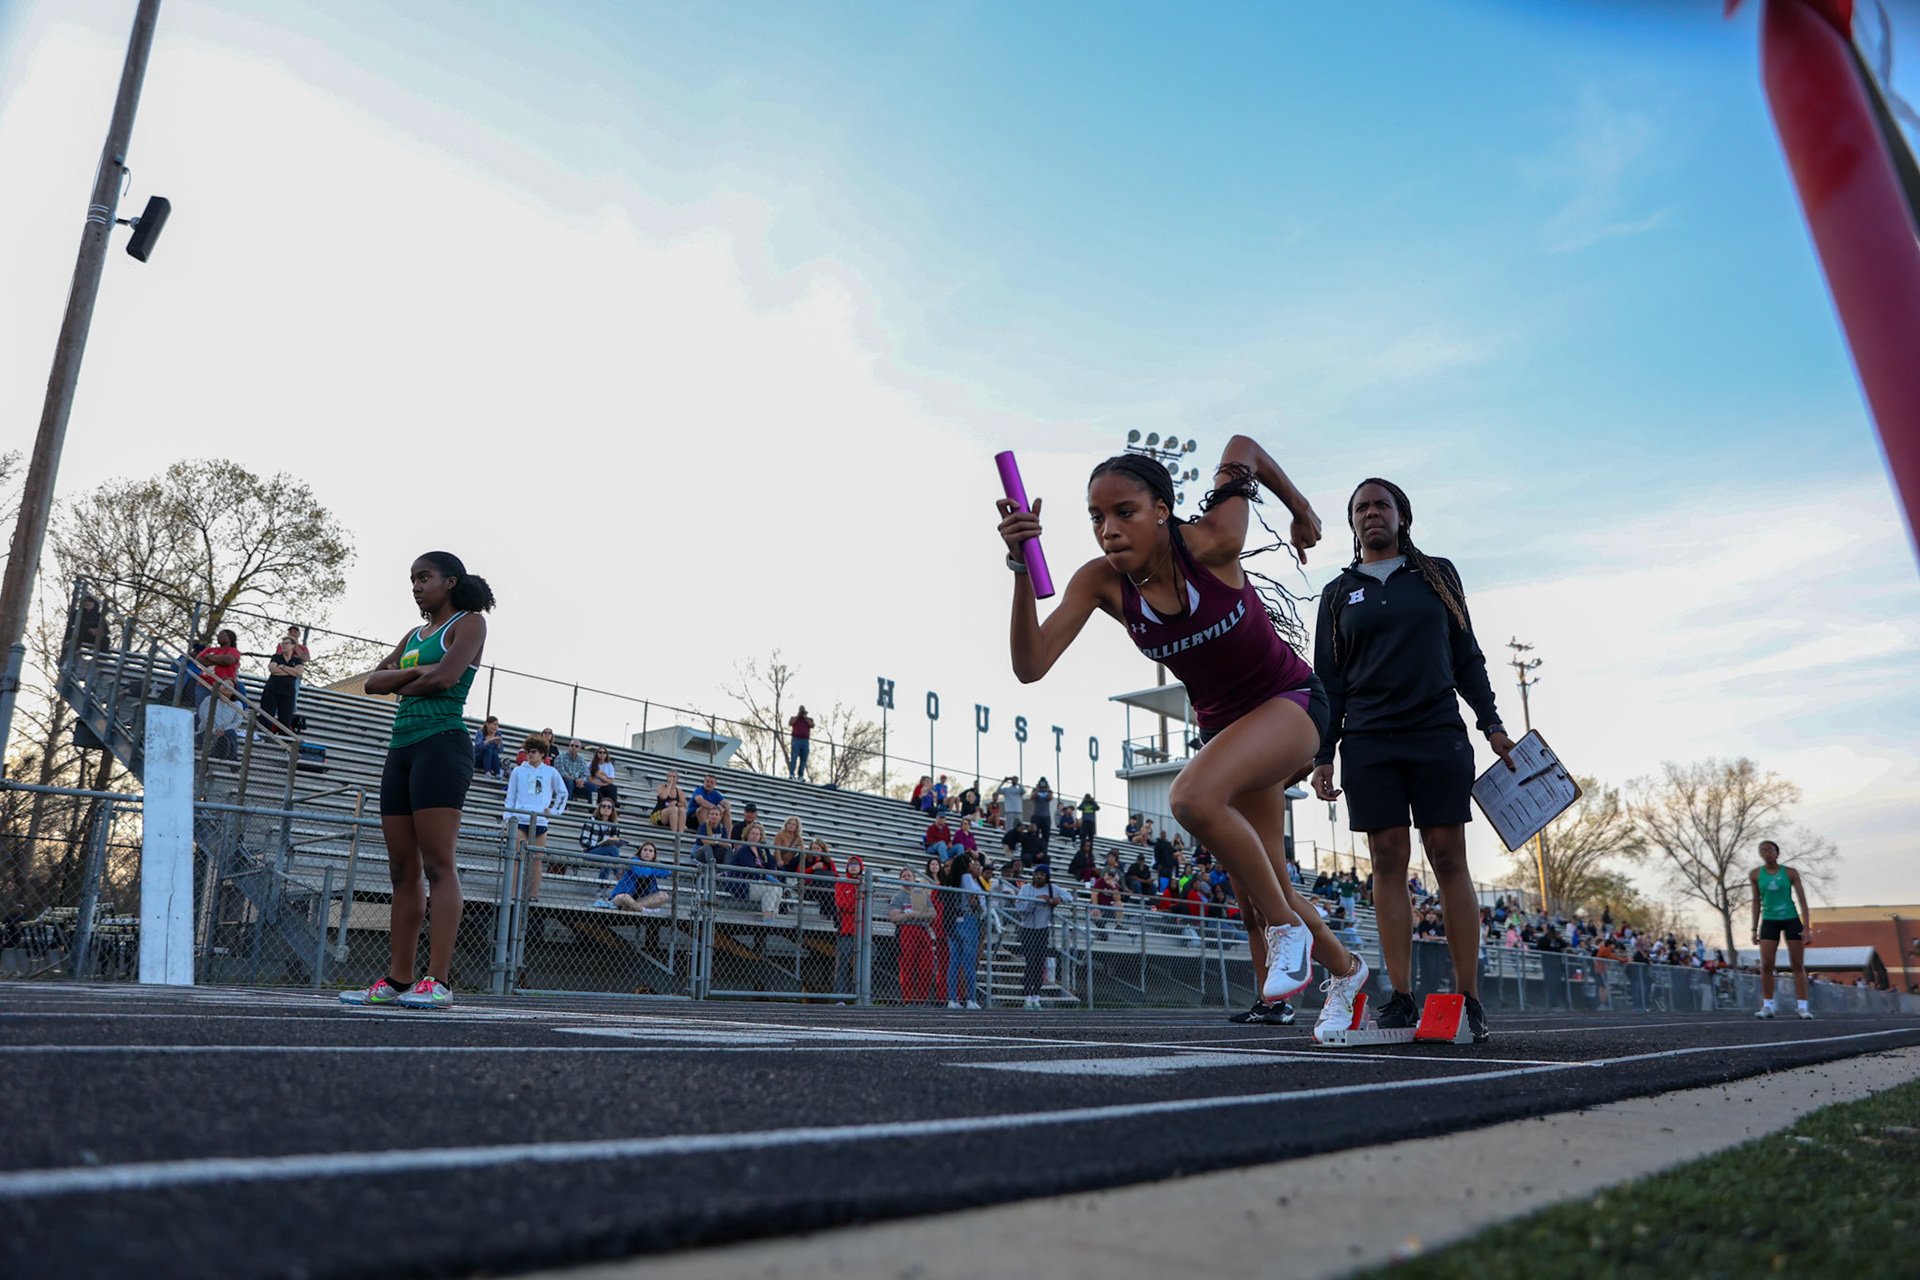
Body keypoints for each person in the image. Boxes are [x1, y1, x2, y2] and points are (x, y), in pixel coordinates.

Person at [995, 438, 1370, 1039]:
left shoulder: (1214, 540)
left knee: (1191, 798)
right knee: (1262, 884)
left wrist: (1300, 510)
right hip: (1226, 727)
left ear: (1162, 511)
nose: (1108, 530)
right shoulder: (1100, 582)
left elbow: (1242, 448)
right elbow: (1030, 664)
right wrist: (1019, 569)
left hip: (1292, 701)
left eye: (1125, 512)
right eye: (1096, 517)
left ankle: (1287, 932)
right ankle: (1347, 972)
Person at [1310, 478, 1513, 1044]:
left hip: (1436, 732)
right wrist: (1323, 753)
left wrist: (1492, 725)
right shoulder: (1336, 593)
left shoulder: (1438, 575)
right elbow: (1328, 681)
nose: (1371, 513)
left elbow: (1467, 656)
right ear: (1352, 522)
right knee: (1386, 859)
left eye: (1382, 505)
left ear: (1403, 516)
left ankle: (1469, 998)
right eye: (1361, 508)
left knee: (1448, 856)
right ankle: (1400, 996)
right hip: (1368, 740)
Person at [341, 551, 492, 1010]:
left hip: (441, 745)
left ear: (451, 581)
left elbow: (445, 679)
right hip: (401, 750)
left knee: (438, 865)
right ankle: (398, 980)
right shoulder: (413, 635)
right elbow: (373, 683)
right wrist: (416, 672)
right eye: (412, 580)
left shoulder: (470, 623)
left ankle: (438, 981)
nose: (416, 586)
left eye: (424, 577)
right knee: (401, 870)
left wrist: (402, 679)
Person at [1751, 839, 1815, 1020]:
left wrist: (1806, 928)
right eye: (1763, 850)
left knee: (1797, 964)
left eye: (1770, 850)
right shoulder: (1756, 874)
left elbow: (1802, 900)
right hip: (1769, 920)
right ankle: (1767, 1006)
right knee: (1766, 964)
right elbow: (1756, 902)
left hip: (1791, 919)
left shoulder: (1790, 872)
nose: (1767, 853)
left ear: (1777, 853)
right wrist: (1753, 929)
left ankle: (1802, 1007)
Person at [504, 734, 568, 899]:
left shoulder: (551, 772)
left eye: (533, 752)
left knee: (536, 860)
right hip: (520, 819)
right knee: (516, 859)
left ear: (542, 753)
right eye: (528, 752)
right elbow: (510, 797)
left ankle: (532, 896)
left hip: (540, 821)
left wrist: (553, 811)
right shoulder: (518, 771)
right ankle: (512, 896)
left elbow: (562, 793)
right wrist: (508, 818)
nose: (529, 755)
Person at [1012, 864, 1071, 1009]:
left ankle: (1036, 997)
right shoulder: (1026, 889)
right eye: (1037, 874)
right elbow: (1020, 909)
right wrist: (1036, 900)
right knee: (1030, 961)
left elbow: (1069, 896)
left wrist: (1058, 899)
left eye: (1042, 875)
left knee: (1039, 963)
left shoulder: (1052, 888)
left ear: (1047, 877)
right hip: (1027, 929)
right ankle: (1027, 996)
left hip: (1042, 929)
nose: (1039, 877)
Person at [941, 853, 989, 1009]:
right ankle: (971, 999)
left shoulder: (953, 879)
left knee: (954, 962)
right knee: (969, 962)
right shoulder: (966, 877)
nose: (973, 864)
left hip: (954, 920)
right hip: (968, 919)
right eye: (971, 862)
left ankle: (953, 999)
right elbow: (972, 896)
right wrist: (980, 908)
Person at [889, 867, 938, 1004]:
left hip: (922, 930)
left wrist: (920, 915)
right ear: (900, 879)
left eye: (909, 875)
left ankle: (922, 999)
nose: (907, 877)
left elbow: (932, 913)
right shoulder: (898, 896)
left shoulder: (920, 895)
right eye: (904, 876)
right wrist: (910, 915)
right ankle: (909, 998)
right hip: (906, 931)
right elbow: (894, 917)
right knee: (907, 966)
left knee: (927, 967)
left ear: (914, 878)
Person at [259, 626, 308, 732]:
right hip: (272, 690)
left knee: (285, 719)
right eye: (283, 643)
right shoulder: (276, 657)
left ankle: (283, 738)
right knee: (266, 716)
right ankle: (264, 736)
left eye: (287, 643)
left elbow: (298, 672)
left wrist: (283, 667)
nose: (284, 645)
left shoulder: (297, 659)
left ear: (293, 645)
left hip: (288, 692)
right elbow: (273, 669)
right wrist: (291, 671)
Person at [832, 854, 867, 997]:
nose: (853, 867)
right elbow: (841, 904)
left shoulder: (864, 885)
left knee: (863, 965)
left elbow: (866, 905)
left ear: (860, 868)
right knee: (842, 964)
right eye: (850, 864)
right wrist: (857, 903)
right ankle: (840, 995)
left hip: (862, 931)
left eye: (856, 864)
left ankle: (862, 996)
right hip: (846, 930)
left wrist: (855, 904)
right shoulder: (841, 883)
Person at [607, 841, 670, 914]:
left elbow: (667, 872)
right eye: (645, 850)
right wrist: (651, 867)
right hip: (622, 898)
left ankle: (633, 908)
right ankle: (643, 910)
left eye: (650, 851)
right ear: (640, 852)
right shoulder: (633, 861)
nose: (647, 853)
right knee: (624, 897)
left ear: (654, 855)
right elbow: (642, 873)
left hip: (640, 901)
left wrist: (651, 866)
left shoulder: (655, 864)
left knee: (663, 895)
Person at [577, 795, 624, 882]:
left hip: (606, 853)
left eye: (609, 807)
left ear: (612, 810)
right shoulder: (591, 820)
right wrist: (599, 845)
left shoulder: (614, 825)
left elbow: (614, 842)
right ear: (599, 808)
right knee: (611, 849)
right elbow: (583, 841)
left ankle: (601, 886)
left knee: (608, 858)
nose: (606, 808)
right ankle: (619, 875)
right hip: (590, 852)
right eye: (603, 806)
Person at [789, 704, 814, 780]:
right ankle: (792, 774)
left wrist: (805, 717)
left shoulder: (808, 719)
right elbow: (791, 723)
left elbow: (812, 725)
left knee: (803, 760)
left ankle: (800, 775)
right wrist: (798, 715)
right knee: (794, 758)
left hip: (805, 741)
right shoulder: (795, 718)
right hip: (796, 740)